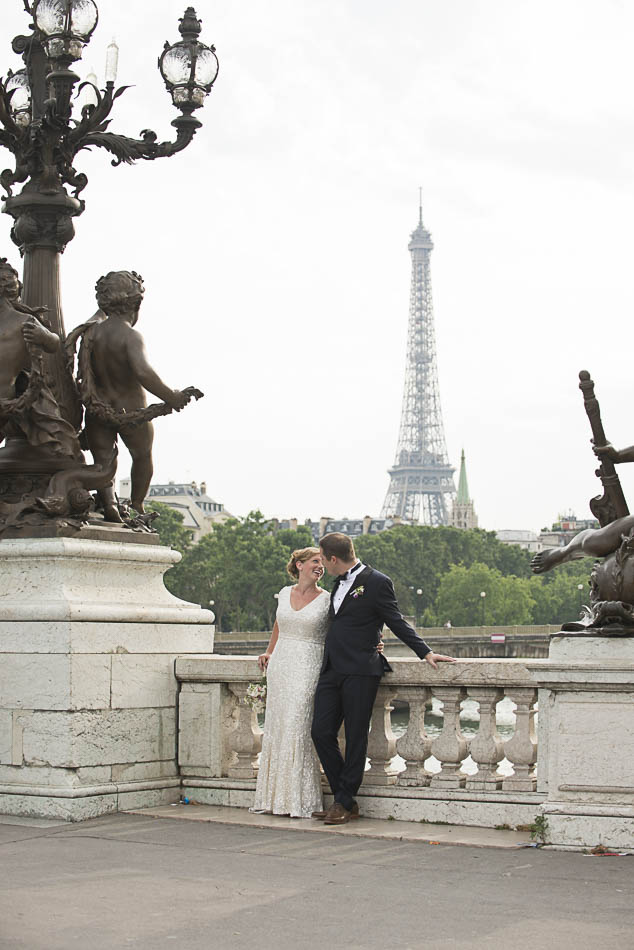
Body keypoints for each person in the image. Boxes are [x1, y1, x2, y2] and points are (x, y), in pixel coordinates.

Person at [311, 532, 456, 826]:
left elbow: (395, 620)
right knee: (320, 732)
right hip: (331, 669)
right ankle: (344, 798)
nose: (323, 565)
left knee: (356, 736)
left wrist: (425, 652)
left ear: (333, 558)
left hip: (361, 670)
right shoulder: (337, 582)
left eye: (323, 559)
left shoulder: (377, 581)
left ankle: (343, 801)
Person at [74, 271, 193, 522]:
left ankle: (110, 505)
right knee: (141, 456)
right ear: (136, 304)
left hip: (98, 410)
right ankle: (137, 503)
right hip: (132, 411)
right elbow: (143, 372)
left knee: (103, 461)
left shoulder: (92, 334)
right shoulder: (130, 335)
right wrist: (171, 396)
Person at [251, 547, 330, 818]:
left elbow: (341, 630)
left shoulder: (327, 599)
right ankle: (274, 799)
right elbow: (279, 624)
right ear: (299, 565)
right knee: (278, 727)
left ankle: (298, 799)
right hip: (281, 666)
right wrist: (269, 651)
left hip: (308, 665)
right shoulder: (284, 593)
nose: (320, 566)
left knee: (298, 726)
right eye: (315, 561)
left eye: (322, 562)